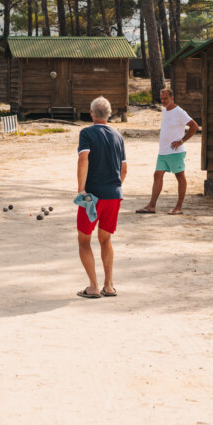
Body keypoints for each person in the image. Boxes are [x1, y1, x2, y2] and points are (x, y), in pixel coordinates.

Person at [76, 96, 127, 299]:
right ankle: (109, 286)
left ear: (91, 113)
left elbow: (83, 159)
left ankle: (93, 286)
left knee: (84, 240)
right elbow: (124, 168)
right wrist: (115, 187)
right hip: (114, 194)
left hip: (92, 196)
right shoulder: (118, 136)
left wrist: (81, 190)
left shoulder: (86, 132)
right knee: (105, 240)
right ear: (109, 114)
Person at [136, 86, 198, 215]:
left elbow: (194, 126)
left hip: (175, 151)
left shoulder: (179, 112)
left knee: (180, 176)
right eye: (161, 99)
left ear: (172, 98)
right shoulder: (164, 110)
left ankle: (179, 207)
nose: (163, 101)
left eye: (165, 98)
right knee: (157, 175)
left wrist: (182, 141)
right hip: (163, 151)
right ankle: (151, 206)